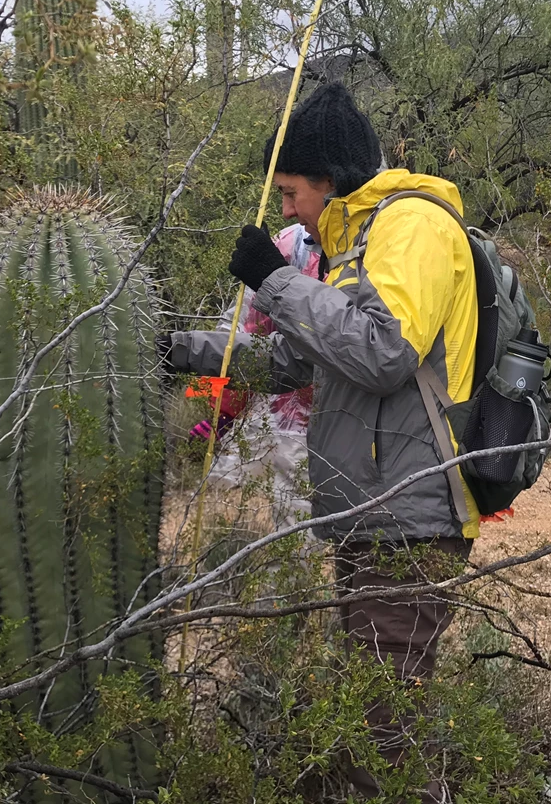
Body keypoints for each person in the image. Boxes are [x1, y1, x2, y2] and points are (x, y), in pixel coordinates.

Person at [162, 82, 480, 802]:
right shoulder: (359, 246)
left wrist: (276, 281)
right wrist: (178, 348)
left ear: (329, 185)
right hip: (373, 519)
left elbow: (384, 351)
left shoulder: (411, 228)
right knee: (379, 729)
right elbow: (294, 363)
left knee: (387, 744)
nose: (285, 209)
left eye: (292, 191)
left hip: (408, 521)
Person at [186, 222, 320, 533]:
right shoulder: (291, 245)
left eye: (292, 193)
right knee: (275, 516)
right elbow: (245, 337)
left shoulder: (370, 245)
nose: (288, 207)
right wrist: (222, 413)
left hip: (336, 420)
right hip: (279, 416)